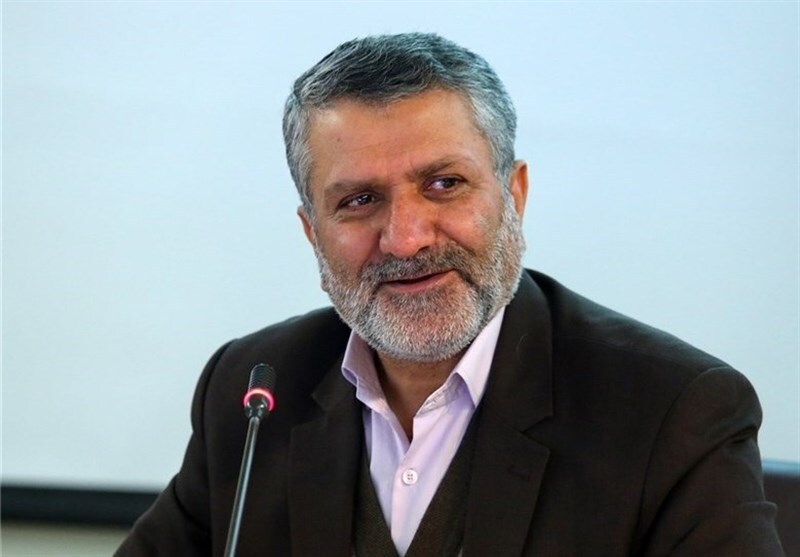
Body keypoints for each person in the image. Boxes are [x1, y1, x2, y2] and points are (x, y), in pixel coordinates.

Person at [115, 33, 783, 556]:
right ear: (312, 232)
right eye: (359, 200)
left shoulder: (673, 411)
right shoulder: (255, 389)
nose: (406, 239)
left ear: (514, 194)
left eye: (444, 185)